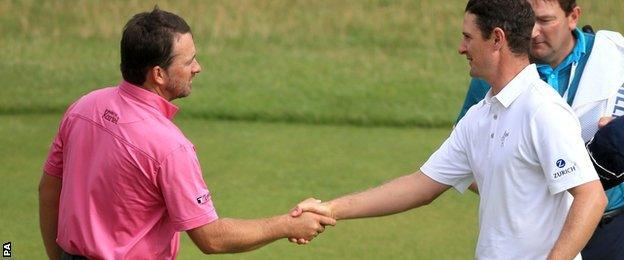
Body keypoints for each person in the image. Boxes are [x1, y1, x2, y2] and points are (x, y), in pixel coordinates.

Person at [290, 0, 607, 259]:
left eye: (468, 37)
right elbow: (421, 186)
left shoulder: (544, 111)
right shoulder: (479, 117)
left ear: (497, 39)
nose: (460, 47)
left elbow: (591, 197)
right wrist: (330, 208)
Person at [38, 7, 335, 260]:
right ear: (158, 74)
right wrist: (287, 225)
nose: (198, 68)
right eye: (188, 61)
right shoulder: (170, 147)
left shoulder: (83, 106)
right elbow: (211, 238)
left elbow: (48, 190)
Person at [454, 0, 624, 258]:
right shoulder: (496, 70)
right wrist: (527, 192)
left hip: (613, 224)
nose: (533, 32)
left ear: (573, 17)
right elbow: (465, 157)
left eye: (545, 21)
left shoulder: (612, 56)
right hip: (541, 234)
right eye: (528, 21)